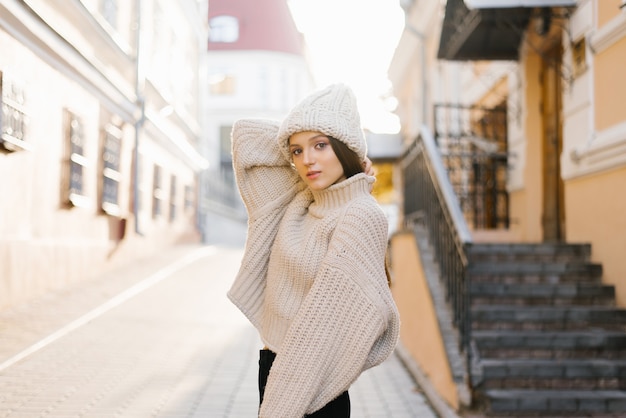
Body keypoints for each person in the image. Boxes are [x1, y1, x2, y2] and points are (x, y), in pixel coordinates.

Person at [228, 83, 400, 418]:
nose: (307, 160)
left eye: (321, 145)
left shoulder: (360, 216)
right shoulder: (301, 202)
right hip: (276, 367)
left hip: (309, 381)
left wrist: (278, 408)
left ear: (346, 147)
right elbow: (246, 138)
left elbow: (321, 330)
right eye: (296, 150)